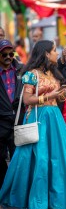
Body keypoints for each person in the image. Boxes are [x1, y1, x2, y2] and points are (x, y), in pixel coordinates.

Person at [0, 40, 66, 209]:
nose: (57, 53)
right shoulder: (32, 74)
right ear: (46, 54)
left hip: (54, 117)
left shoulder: (53, 73)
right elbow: (27, 100)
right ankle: (38, 204)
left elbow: (56, 95)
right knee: (40, 161)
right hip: (39, 118)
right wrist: (50, 95)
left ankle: (56, 202)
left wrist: (61, 94)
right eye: (55, 50)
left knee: (57, 160)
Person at [0, 39, 25, 189]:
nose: (8, 57)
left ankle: (16, 188)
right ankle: (5, 186)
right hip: (1, 120)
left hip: (18, 119)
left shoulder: (21, 70)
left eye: (11, 54)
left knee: (18, 155)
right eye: (4, 55)